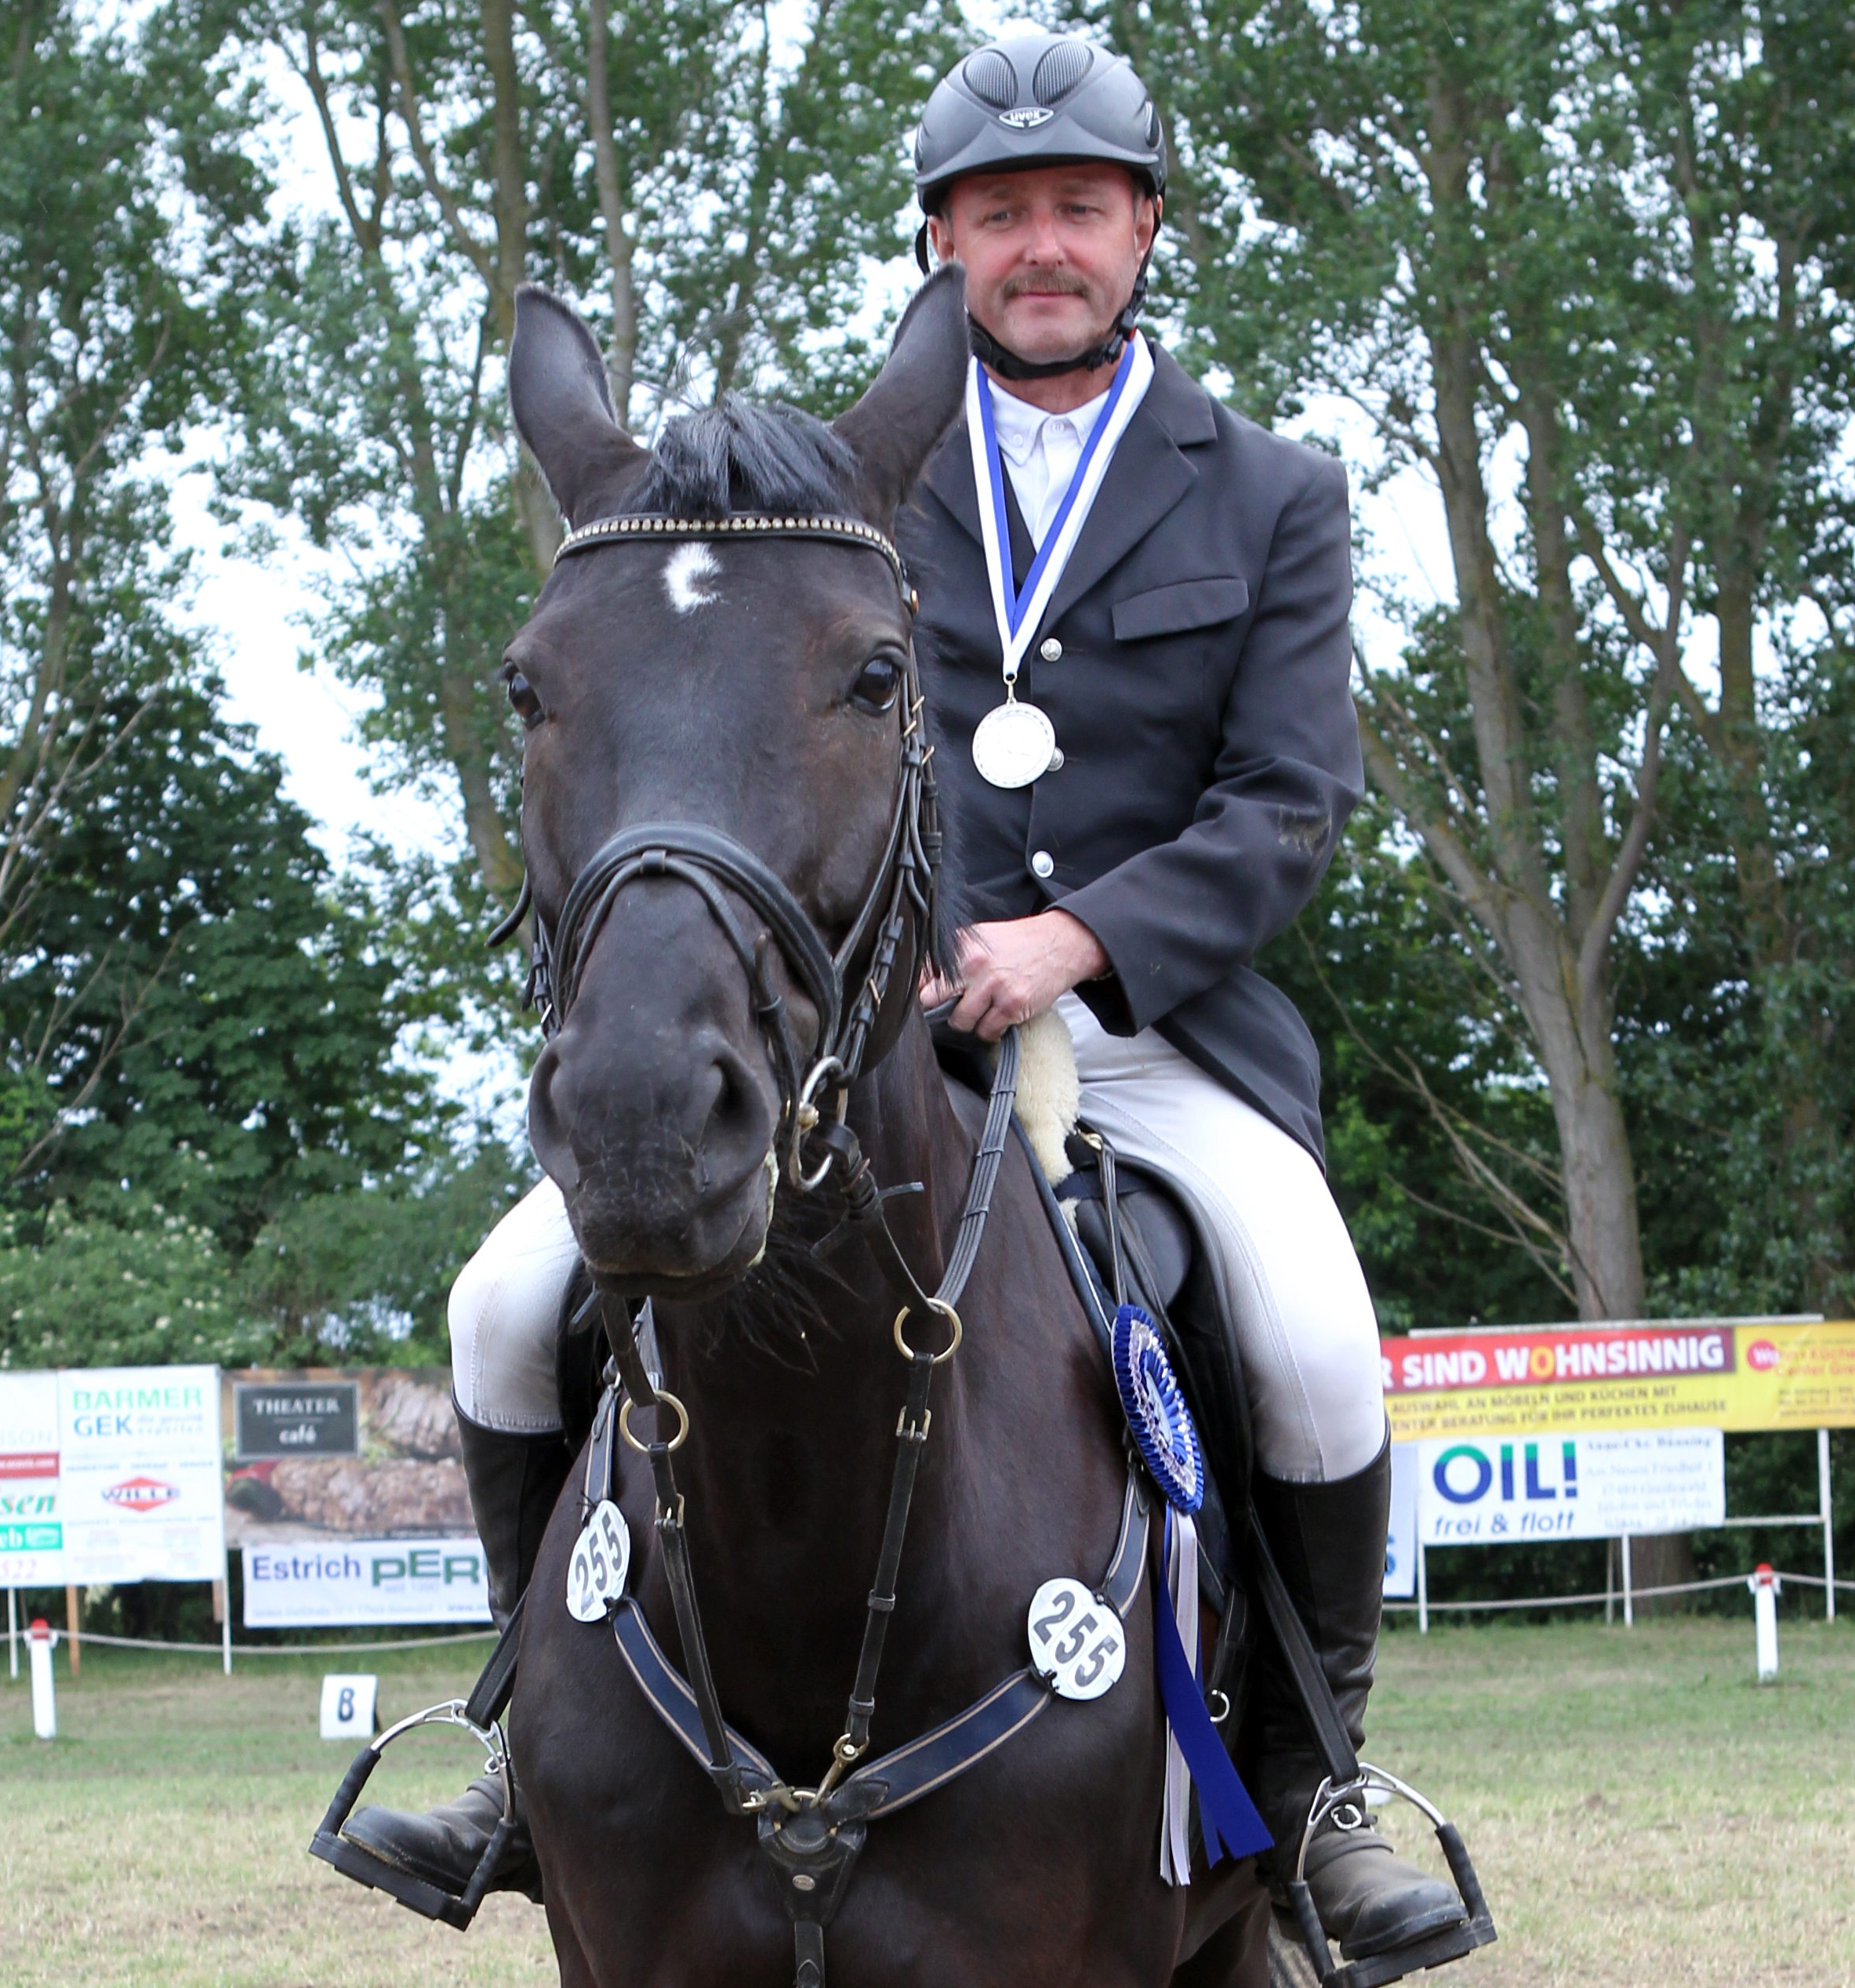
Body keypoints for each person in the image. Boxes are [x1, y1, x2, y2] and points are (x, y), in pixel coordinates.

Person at [344, 31, 1467, 1968]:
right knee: (502, 1298)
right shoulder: (849, 483)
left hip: (1152, 1036)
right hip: (878, 1035)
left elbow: (1291, 803)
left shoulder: (1270, 492)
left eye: (1079, 209)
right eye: (1000, 212)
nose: (1042, 245)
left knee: (1310, 1329)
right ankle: (524, 1748)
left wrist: (1079, 939)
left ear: (1143, 229)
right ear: (942, 240)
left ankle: (1311, 1790)